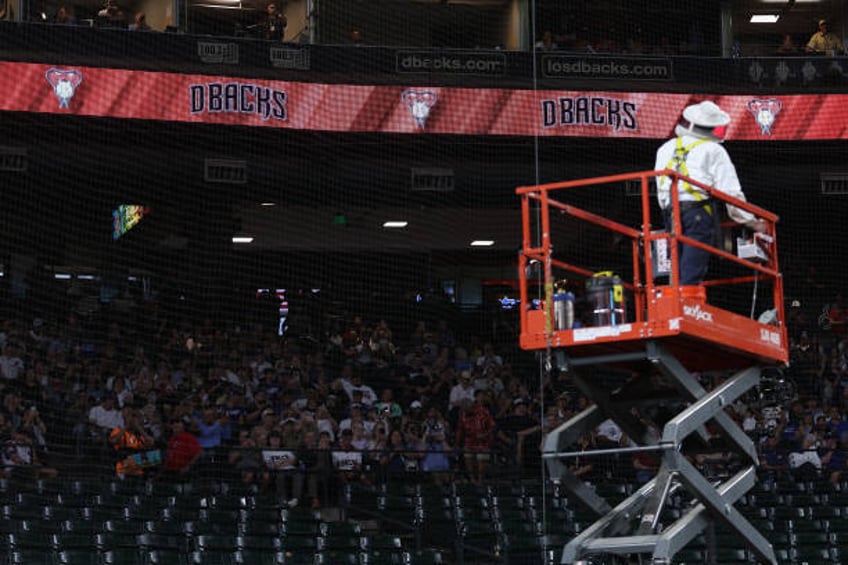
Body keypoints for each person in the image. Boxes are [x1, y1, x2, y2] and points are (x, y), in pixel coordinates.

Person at [655, 100, 766, 286]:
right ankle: (687, 306)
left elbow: (660, 189)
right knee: (691, 269)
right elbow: (731, 193)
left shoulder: (666, 149)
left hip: (670, 212)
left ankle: (675, 303)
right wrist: (753, 222)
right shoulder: (714, 150)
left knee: (677, 265)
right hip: (697, 213)